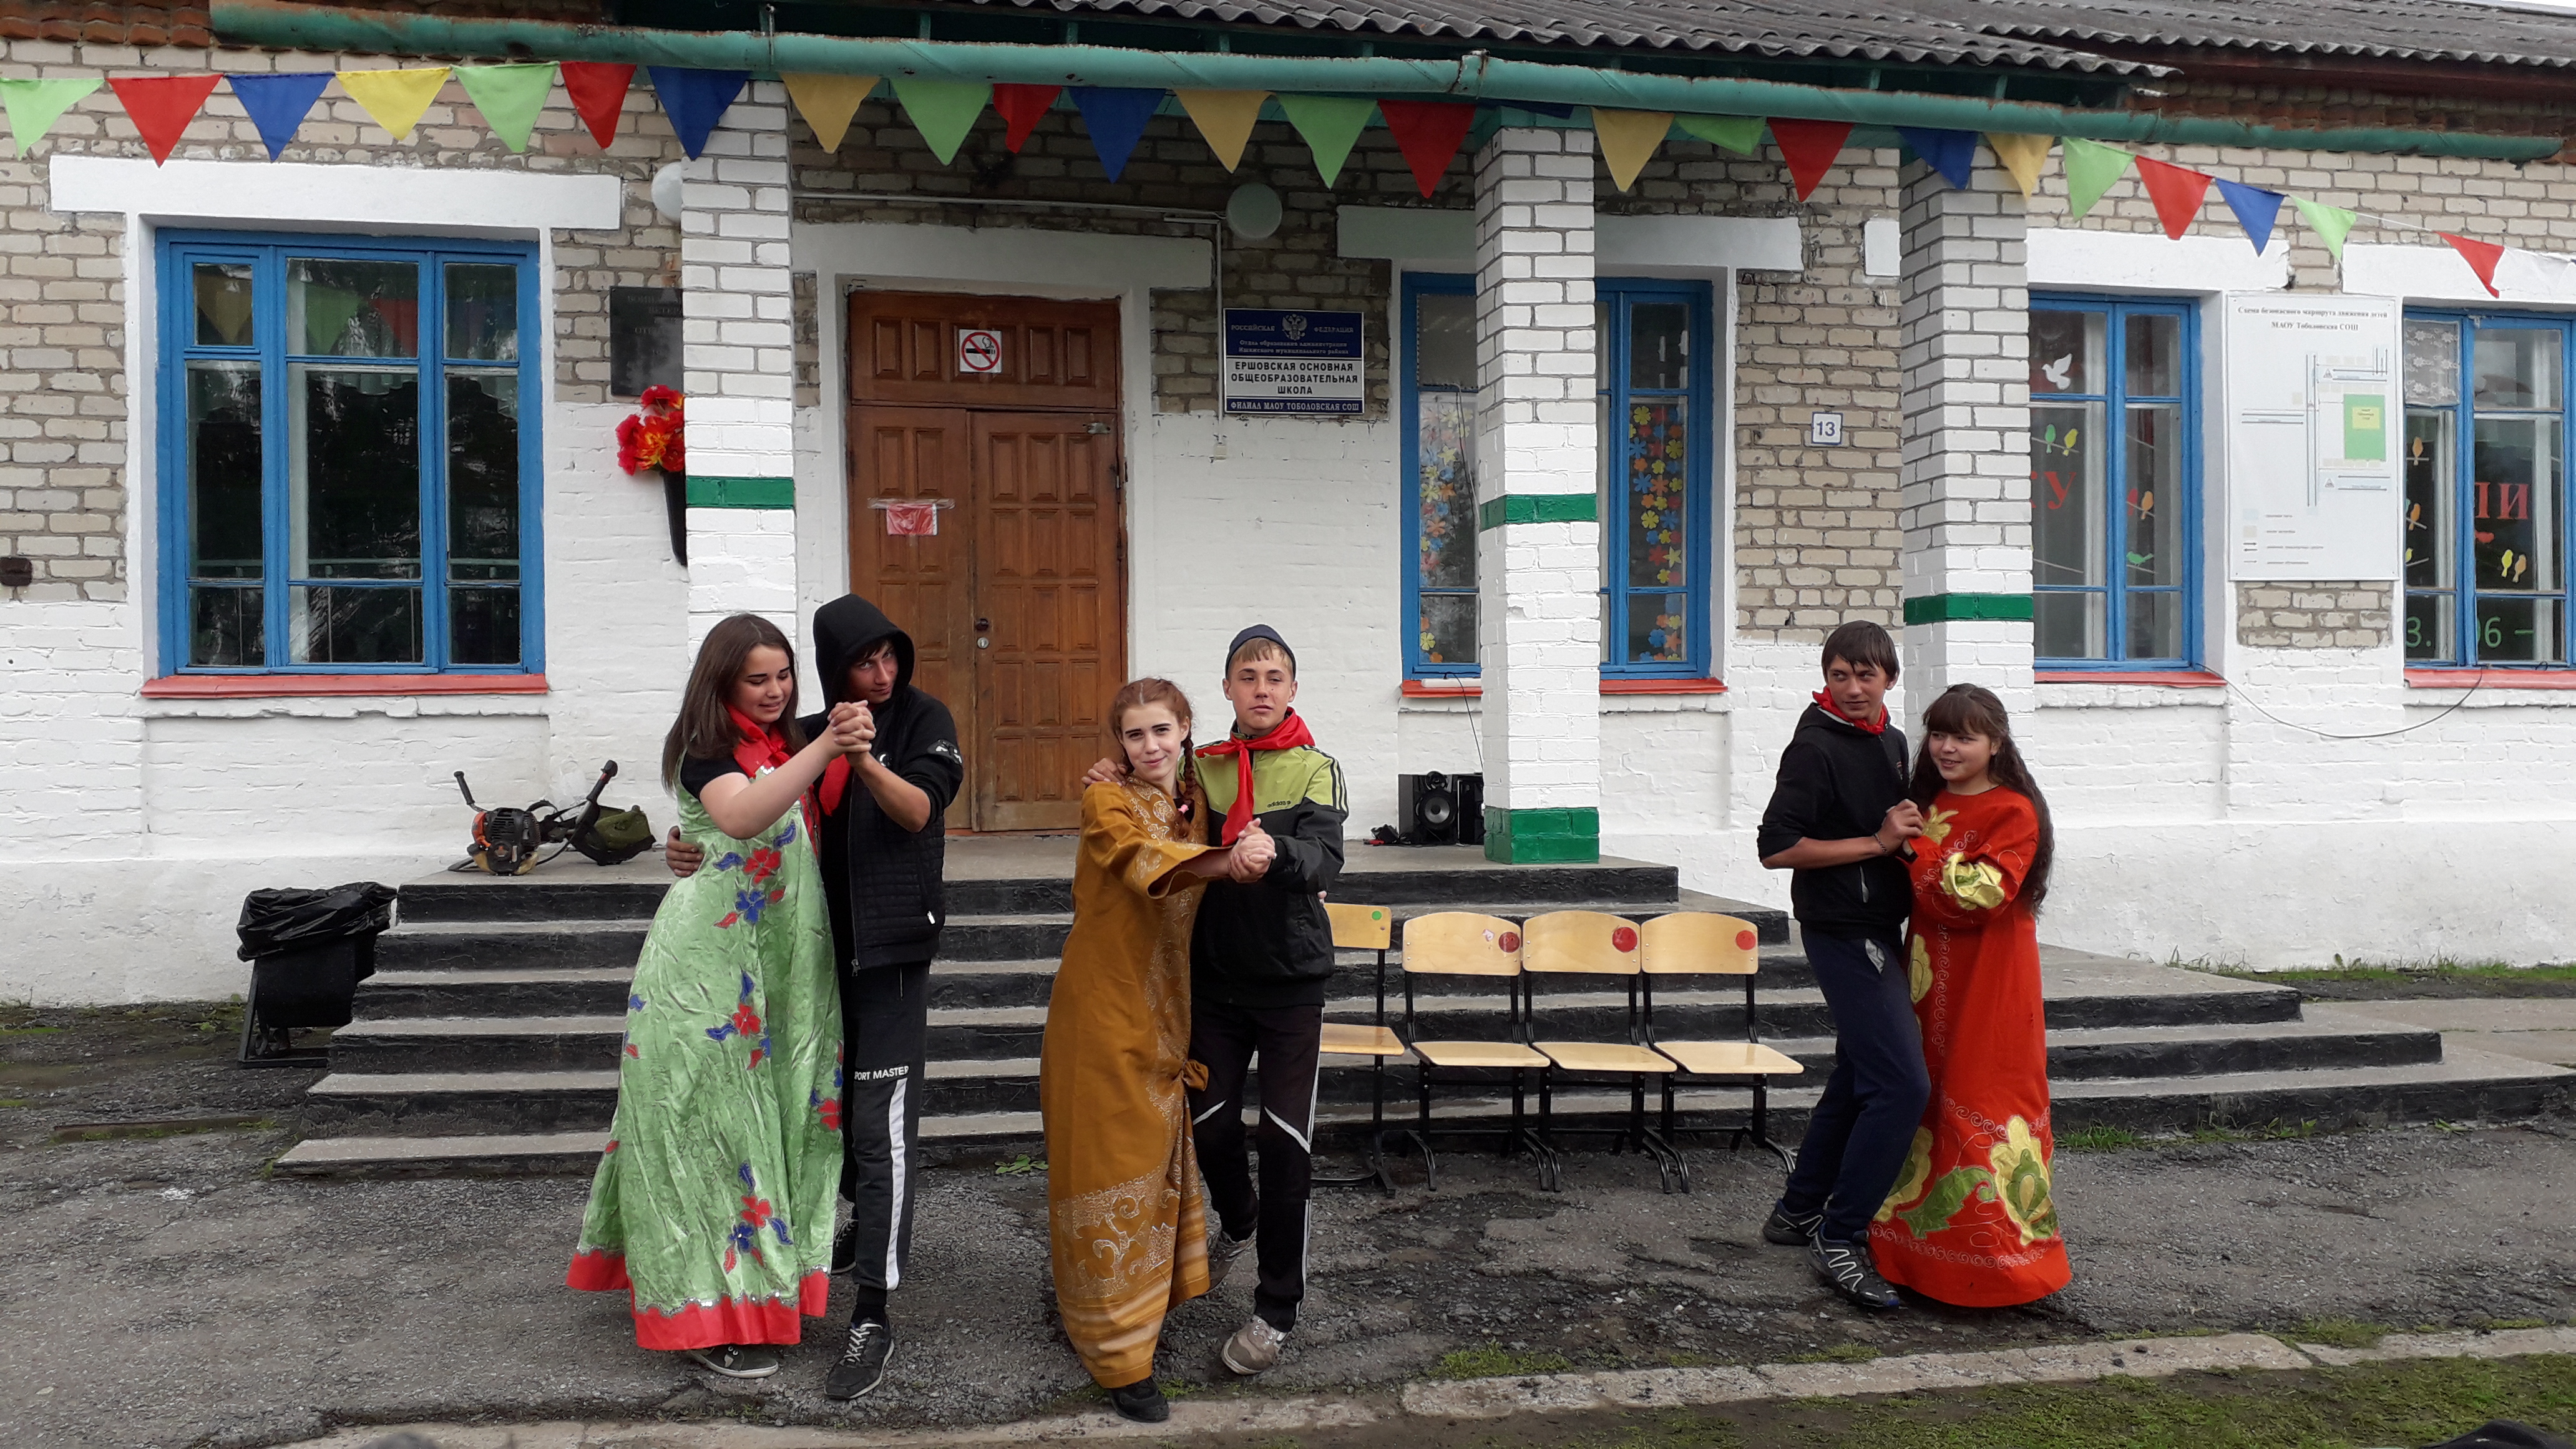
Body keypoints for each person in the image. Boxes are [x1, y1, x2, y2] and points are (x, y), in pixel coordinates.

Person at [665, 595, 965, 1400]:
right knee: (816, 1122)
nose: (883, 673)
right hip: (806, 967)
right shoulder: (797, 735)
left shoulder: (922, 720)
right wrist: (688, 844)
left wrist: (862, 757)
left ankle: (874, 1315)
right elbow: (744, 810)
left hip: (890, 957)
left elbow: (918, 811)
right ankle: (840, 1238)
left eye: (891, 656)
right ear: (833, 671)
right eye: (865, 661)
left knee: (878, 1133)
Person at [568, 612, 858, 1378]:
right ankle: (703, 1313)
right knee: (705, 1130)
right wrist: (827, 744)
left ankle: (752, 1295)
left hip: (782, 969)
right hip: (707, 969)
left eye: (784, 675)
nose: (775, 690)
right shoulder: (708, 748)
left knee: (765, 1129)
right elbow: (738, 813)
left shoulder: (785, 744)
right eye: (756, 679)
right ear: (721, 683)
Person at [1081, 623, 1344, 1377]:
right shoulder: (1200, 766)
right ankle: (1239, 1218)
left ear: (1292, 690)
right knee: (1210, 1125)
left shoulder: (1317, 768)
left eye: (1274, 677)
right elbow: (1154, 792)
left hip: (1290, 984)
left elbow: (1326, 858)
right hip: (1215, 984)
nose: (1261, 689)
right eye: (1247, 677)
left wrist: (1276, 851)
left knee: (1285, 1144)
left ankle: (1276, 1310)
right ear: (1226, 689)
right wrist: (1113, 772)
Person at [1043, 678, 1271, 1423]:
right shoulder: (1106, 802)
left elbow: (1256, 781)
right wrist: (1225, 862)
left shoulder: (1197, 798)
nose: (1149, 746)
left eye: (1161, 731)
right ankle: (1118, 1357)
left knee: (1156, 1169)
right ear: (1118, 743)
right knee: (1108, 1169)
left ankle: (1140, 1313)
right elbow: (1141, 857)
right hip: (1101, 1013)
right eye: (1134, 735)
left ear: (1185, 731)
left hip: (1167, 1015)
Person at [1870, 683, 2070, 1307]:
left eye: (1965, 737)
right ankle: (1908, 1255)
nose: (1948, 748)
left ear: (1996, 743)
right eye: (1939, 734)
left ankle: (1997, 1269)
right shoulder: (1926, 803)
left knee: (1983, 1095)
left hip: (1992, 982)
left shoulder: (2014, 810)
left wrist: (1912, 846)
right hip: (1927, 980)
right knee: (1925, 1093)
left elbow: (1978, 897)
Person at [1754, 619, 1929, 1312]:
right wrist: (1877, 843)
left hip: (1884, 927)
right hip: (1842, 930)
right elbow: (1776, 848)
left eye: (1866, 675)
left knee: (1859, 1075)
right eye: (1839, 675)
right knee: (1902, 1085)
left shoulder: (1892, 742)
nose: (1853, 688)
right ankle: (1842, 1236)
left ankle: (1798, 1212)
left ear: (1890, 679)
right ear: (1825, 678)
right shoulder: (1814, 747)